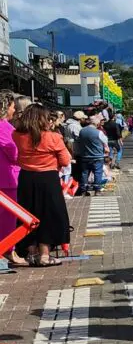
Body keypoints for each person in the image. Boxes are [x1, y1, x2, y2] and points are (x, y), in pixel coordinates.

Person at [13, 104, 72, 267]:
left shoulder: (17, 135)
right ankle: (45, 255)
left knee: (28, 215)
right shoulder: (53, 137)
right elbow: (65, 160)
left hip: (26, 178)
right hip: (48, 179)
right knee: (49, 215)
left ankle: (31, 253)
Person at [0, 92, 25, 269]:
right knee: (7, 218)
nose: (14, 110)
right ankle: (8, 250)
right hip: (6, 179)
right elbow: (14, 153)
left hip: (7, 177)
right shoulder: (3, 127)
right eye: (12, 106)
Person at [75, 114, 110, 196]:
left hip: (85, 156)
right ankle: (97, 190)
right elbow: (105, 141)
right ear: (97, 124)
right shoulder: (99, 132)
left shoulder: (82, 131)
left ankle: (83, 190)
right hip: (97, 156)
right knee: (98, 173)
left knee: (84, 173)